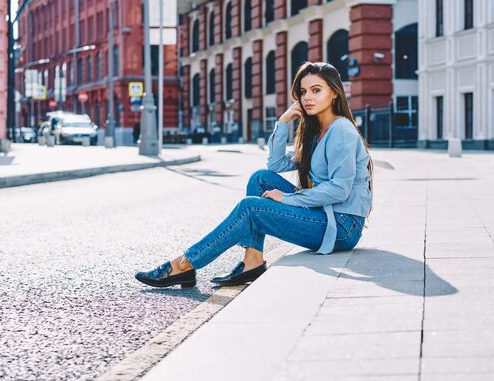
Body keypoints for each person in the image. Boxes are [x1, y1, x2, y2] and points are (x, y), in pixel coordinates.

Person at [135, 62, 373, 288]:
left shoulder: (340, 130)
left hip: (342, 227)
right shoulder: (318, 130)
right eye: (303, 91)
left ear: (334, 93)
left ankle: (185, 264)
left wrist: (287, 198)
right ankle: (253, 259)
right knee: (260, 179)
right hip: (326, 215)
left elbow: (339, 190)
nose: (307, 97)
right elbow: (276, 164)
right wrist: (282, 123)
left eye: (316, 90)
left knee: (251, 208)